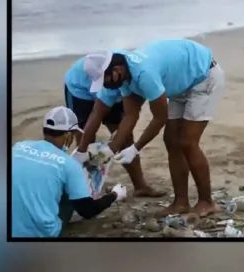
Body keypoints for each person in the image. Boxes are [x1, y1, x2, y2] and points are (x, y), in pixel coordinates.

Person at [86, 39, 225, 217]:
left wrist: (135, 149)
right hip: (182, 84)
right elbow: (130, 115)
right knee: (171, 141)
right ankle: (181, 202)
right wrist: (112, 150)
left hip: (204, 76)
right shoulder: (125, 78)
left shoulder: (144, 73)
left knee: (188, 142)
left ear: (117, 70)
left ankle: (207, 201)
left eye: (105, 81)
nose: (106, 86)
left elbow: (160, 117)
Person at [11, 106, 127, 237]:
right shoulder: (68, 164)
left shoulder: (18, 147)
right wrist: (114, 195)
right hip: (40, 233)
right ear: (68, 135)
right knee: (71, 193)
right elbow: (87, 211)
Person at [64, 51, 164, 198]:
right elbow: (96, 114)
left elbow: (130, 117)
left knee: (124, 136)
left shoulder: (122, 72)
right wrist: (81, 151)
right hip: (80, 90)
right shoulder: (98, 77)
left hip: (112, 82)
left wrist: (114, 148)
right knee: (84, 137)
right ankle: (83, 191)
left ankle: (140, 186)